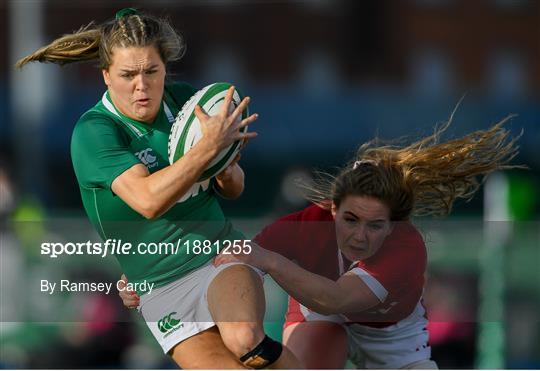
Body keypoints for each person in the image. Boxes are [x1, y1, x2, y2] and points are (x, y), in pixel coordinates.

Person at [16, 8, 301, 369]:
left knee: (244, 336)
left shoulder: (186, 104)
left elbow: (234, 188)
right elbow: (148, 200)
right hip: (159, 288)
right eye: (128, 74)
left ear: (165, 69)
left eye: (151, 71)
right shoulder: (95, 132)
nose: (141, 85)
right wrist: (206, 151)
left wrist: (225, 163)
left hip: (217, 256)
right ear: (106, 76)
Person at [122, 117, 520, 369]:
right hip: (321, 321)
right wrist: (154, 279)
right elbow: (228, 265)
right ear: (331, 209)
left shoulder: (407, 248)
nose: (359, 236)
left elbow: (336, 298)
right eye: (350, 220)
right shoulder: (304, 225)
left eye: (375, 225)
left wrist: (272, 262)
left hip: (392, 342)